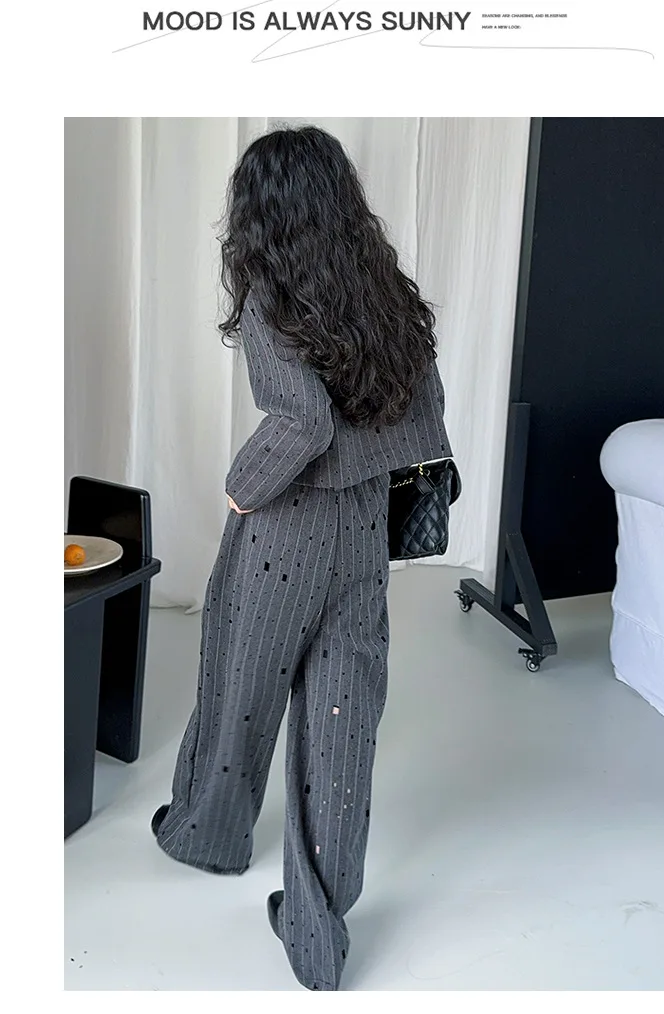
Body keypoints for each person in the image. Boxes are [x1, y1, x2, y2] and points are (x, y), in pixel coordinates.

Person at [151, 125, 452, 991]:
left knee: (240, 686)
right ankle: (318, 930)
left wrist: (243, 489)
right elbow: (424, 408)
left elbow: (302, 422)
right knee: (342, 718)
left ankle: (209, 836)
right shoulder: (382, 292)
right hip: (362, 531)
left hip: (286, 528)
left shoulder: (270, 297)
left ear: (262, 212)